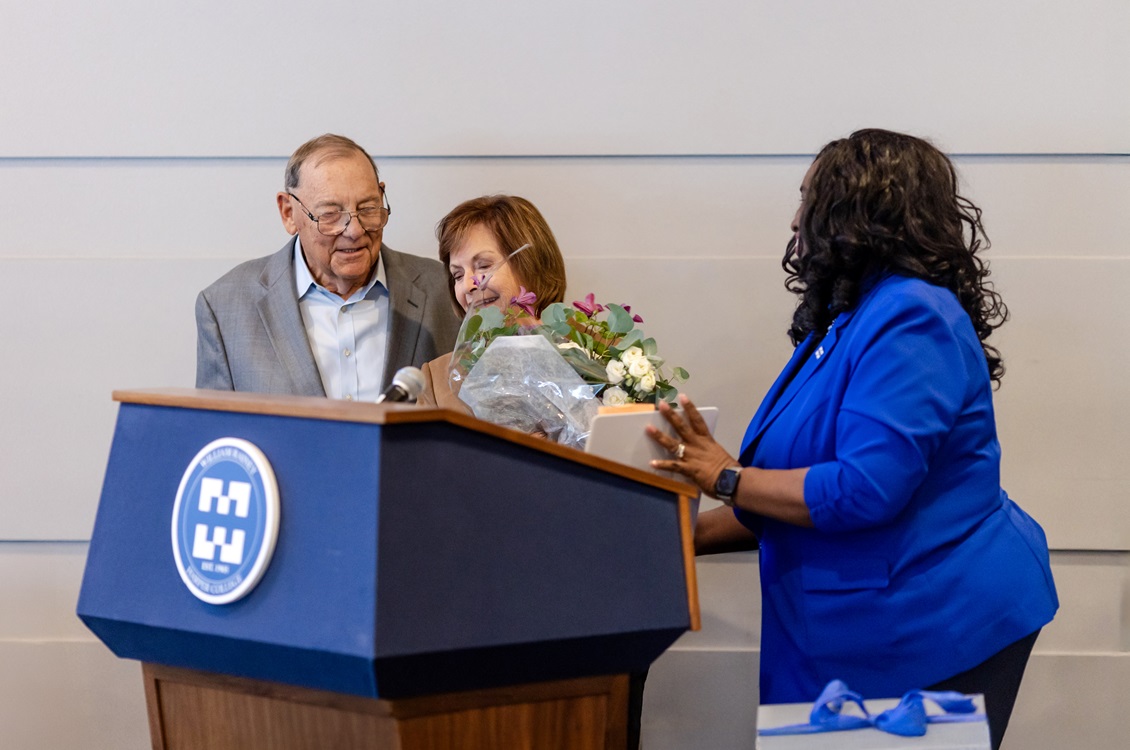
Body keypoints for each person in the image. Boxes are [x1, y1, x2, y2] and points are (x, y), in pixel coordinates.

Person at [647, 129, 1058, 750]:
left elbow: (864, 490)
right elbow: (791, 488)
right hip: (850, 632)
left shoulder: (910, 315)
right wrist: (684, 537)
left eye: (808, 199)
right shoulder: (846, 318)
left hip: (928, 630)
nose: (794, 218)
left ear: (859, 210)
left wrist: (724, 476)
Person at [195, 133, 460, 399]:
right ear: (288, 213)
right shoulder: (224, 307)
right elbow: (215, 432)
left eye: (368, 208)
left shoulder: (446, 290)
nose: (355, 231)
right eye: (330, 215)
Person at [416, 194, 567, 412]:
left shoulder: (602, 358)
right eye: (457, 275)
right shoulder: (435, 379)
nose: (468, 285)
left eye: (484, 266)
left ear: (531, 264)